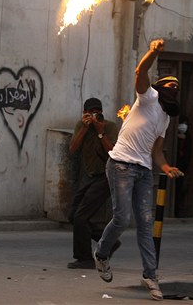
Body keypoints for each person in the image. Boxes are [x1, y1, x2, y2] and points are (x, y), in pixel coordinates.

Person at [93, 39, 184, 301]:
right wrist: (153, 53)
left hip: (144, 171)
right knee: (122, 218)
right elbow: (140, 73)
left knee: (145, 223)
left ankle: (150, 275)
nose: (173, 90)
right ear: (161, 88)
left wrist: (165, 167)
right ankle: (101, 254)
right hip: (121, 164)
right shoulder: (149, 97)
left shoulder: (165, 118)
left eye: (177, 89)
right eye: (170, 86)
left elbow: (156, 150)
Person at [67, 97, 121, 269]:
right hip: (89, 176)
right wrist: (84, 128)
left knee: (81, 216)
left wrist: (100, 131)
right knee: (73, 215)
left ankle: (84, 258)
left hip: (106, 176)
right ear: (84, 113)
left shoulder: (109, 126)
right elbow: (73, 149)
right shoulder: (81, 125)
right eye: (89, 113)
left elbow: (113, 152)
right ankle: (109, 242)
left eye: (97, 112)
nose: (93, 115)